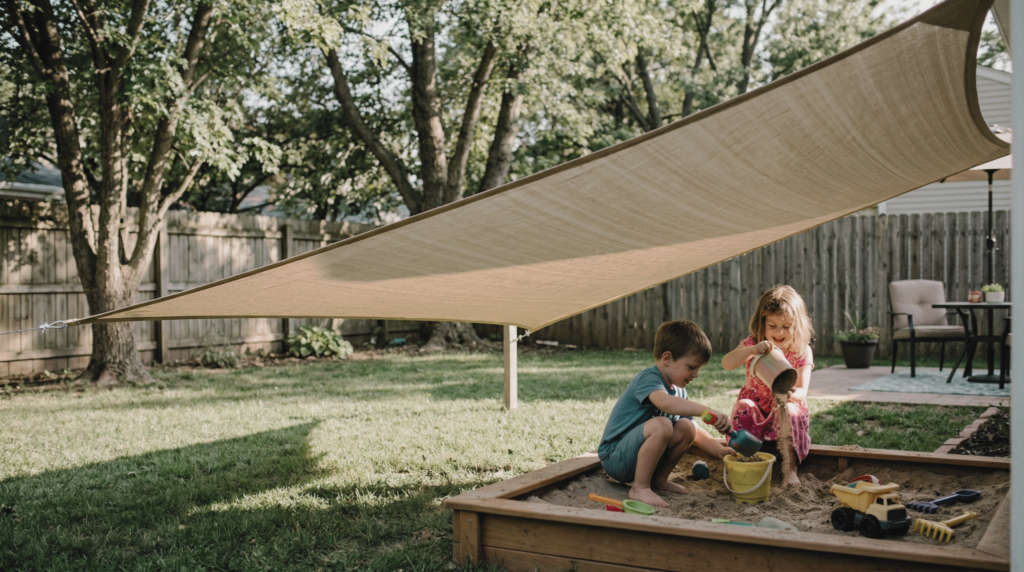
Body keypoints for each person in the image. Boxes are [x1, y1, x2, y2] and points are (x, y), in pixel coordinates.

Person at [598, 320, 735, 508]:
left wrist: (716, 448)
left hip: (638, 458)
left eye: (698, 369)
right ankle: (640, 487)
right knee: (661, 424)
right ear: (668, 358)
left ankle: (659, 480)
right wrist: (706, 411)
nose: (696, 374)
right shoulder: (649, 378)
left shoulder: (678, 390)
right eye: (691, 367)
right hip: (616, 458)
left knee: (686, 427)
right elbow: (665, 403)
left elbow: (691, 427)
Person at [721, 285, 814, 488]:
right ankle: (744, 463)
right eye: (772, 325)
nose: (779, 332)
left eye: (787, 326)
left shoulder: (801, 351)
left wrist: (789, 394)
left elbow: (802, 391)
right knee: (743, 405)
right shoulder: (754, 343)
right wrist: (752, 349)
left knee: (790, 410)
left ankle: (789, 470)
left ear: (797, 325)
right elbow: (727, 363)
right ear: (761, 322)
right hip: (756, 411)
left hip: (782, 409)